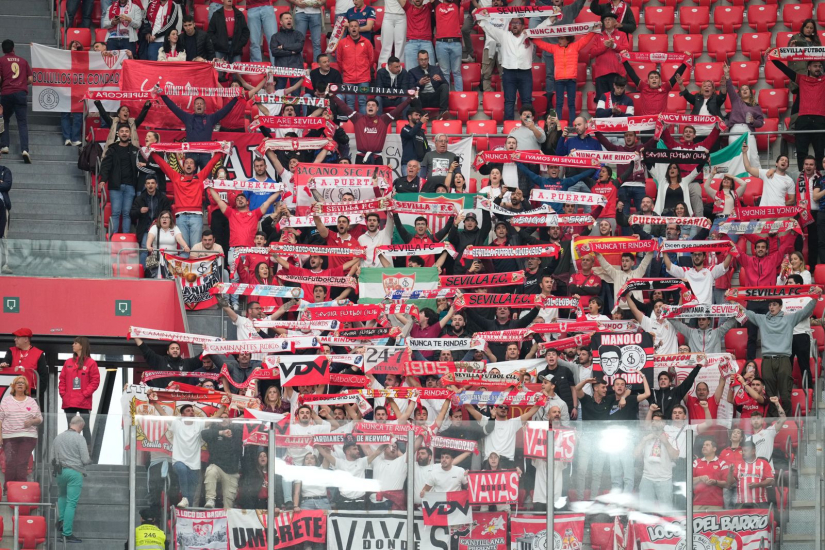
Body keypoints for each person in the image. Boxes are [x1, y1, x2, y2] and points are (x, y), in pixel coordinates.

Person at [733, 290, 821, 416]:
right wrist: (732, 300)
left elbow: (805, 312)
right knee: (769, 394)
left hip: (784, 359)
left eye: (774, 304)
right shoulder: (762, 319)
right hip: (767, 360)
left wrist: (815, 298)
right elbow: (746, 312)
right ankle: (772, 423)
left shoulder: (790, 319)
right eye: (770, 305)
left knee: (785, 395)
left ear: (781, 306)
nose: (771, 307)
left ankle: (787, 423)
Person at [150, 150, 226, 248]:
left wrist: (221, 151)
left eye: (191, 163)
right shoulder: (176, 177)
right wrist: (152, 152)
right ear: (183, 166)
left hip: (196, 217)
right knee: (184, 249)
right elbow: (163, 165)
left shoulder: (200, 177)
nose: (189, 165)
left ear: (195, 167)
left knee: (195, 249)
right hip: (181, 217)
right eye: (186, 163)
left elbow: (211, 163)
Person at [156, 92, 237, 171]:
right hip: (191, 154)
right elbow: (174, 108)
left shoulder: (211, 118)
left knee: (207, 181)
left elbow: (225, 110)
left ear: (205, 107)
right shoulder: (187, 118)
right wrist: (163, 95)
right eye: (197, 104)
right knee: (190, 180)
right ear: (194, 107)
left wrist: (236, 98)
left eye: (201, 104)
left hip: (205, 154)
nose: (199, 105)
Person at [771, 57, 825, 171]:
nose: (818, 68)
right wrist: (772, 57)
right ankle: (802, 177)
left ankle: (820, 180)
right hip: (803, 119)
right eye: (815, 66)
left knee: (820, 152)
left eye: (820, 66)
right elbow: (784, 69)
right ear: (808, 68)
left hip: (820, 119)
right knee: (801, 152)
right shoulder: (801, 79)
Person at [330, 91, 412, 165]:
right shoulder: (357, 118)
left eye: (373, 105)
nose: (370, 107)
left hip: (377, 158)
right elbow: (345, 108)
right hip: (360, 157)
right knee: (360, 182)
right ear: (366, 108)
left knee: (377, 181)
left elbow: (398, 110)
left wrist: (410, 99)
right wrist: (333, 96)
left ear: (377, 109)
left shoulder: (384, 119)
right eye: (368, 105)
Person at [533, 32, 595, 125]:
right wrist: (532, 39)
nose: (559, 41)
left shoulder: (575, 46)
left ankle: (573, 124)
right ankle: (559, 124)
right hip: (559, 80)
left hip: (571, 79)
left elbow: (585, 40)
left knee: (571, 103)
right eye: (559, 38)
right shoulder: (555, 48)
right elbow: (543, 45)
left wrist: (593, 32)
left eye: (562, 39)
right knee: (559, 103)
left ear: (568, 40)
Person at [478, 17, 532, 120]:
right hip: (509, 72)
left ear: (523, 26)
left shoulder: (529, 35)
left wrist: (551, 19)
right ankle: (509, 128)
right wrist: (479, 18)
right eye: (513, 23)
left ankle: (528, 126)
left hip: (525, 73)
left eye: (518, 23)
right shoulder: (504, 35)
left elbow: (542, 28)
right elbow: (490, 29)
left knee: (527, 101)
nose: (515, 25)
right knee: (509, 101)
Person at [51, 416, 90, 544]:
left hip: (60, 472)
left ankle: (61, 522)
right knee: (71, 503)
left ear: (70, 424)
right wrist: (89, 461)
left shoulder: (58, 437)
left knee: (62, 497)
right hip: (74, 472)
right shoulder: (80, 438)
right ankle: (67, 533)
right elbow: (85, 459)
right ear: (81, 426)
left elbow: (52, 457)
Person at [58, 337, 99, 449]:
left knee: (85, 427)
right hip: (69, 400)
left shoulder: (91, 363)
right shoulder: (68, 362)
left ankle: (87, 453)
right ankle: (70, 451)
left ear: (82, 345)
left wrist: (84, 394)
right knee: (70, 428)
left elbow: (95, 381)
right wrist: (63, 394)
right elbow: (62, 379)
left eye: (75, 343)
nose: (73, 345)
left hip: (84, 401)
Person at [99, 124, 140, 235]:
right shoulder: (112, 149)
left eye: (126, 131)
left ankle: (126, 237)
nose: (124, 133)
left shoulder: (135, 150)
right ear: (118, 133)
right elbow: (105, 166)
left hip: (131, 186)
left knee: (127, 213)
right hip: (115, 186)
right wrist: (103, 179)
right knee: (116, 213)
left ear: (130, 134)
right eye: (122, 131)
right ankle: (114, 237)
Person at [0, 376, 42, 482]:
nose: (20, 384)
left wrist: (32, 421)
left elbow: (40, 419)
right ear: (13, 386)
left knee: (22, 462)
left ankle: (21, 489)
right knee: (10, 463)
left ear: (26, 387)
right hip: (9, 437)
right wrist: (0, 436)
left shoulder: (32, 401)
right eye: (18, 382)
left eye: (22, 383)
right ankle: (9, 489)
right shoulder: (5, 401)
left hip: (28, 436)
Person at [621, 55, 687, 116]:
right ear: (648, 81)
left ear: (660, 81)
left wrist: (685, 62)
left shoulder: (665, 88)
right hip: (646, 122)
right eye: (652, 78)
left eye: (656, 78)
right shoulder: (643, 87)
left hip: (660, 121)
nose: (654, 79)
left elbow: (676, 75)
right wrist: (624, 60)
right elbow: (632, 74)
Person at [0, 40, 33, 163]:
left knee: (4, 118)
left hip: (7, 93)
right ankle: (25, 150)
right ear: (13, 48)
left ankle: (5, 146)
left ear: (3, 50)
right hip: (20, 93)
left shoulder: (1, 61)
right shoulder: (23, 61)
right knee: (22, 122)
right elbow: (30, 79)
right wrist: (22, 83)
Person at [202, 412, 243, 508]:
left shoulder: (237, 431)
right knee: (210, 471)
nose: (224, 419)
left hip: (232, 471)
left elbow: (245, 425)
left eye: (226, 417)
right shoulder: (214, 431)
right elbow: (203, 434)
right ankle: (210, 499)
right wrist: (221, 433)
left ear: (230, 420)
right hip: (217, 466)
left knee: (229, 506)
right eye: (221, 417)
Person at [724, 71, 763, 167]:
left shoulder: (756, 106)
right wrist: (727, 75)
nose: (745, 90)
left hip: (748, 130)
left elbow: (761, 122)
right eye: (742, 89)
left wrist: (753, 121)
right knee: (734, 156)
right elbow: (730, 88)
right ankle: (733, 178)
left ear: (750, 92)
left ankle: (757, 178)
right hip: (735, 130)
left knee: (753, 155)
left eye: (747, 89)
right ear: (740, 93)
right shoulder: (736, 101)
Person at [131, 176, 172, 266]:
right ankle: (142, 273)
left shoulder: (163, 198)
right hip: (146, 229)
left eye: (152, 183)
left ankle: (161, 272)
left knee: (162, 250)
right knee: (145, 249)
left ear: (156, 185)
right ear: (145, 185)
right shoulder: (139, 198)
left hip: (161, 229)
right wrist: (139, 211)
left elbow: (169, 212)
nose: (150, 185)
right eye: (148, 183)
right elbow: (132, 214)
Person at [336, 20, 375, 114]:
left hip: (364, 78)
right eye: (351, 26)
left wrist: (364, 68)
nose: (353, 28)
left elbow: (371, 59)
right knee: (350, 103)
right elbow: (339, 60)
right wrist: (346, 69)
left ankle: (362, 125)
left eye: (356, 26)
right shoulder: (342, 43)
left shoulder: (367, 42)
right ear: (348, 29)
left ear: (359, 28)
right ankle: (351, 126)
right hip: (348, 79)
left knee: (363, 102)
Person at [588, 13, 630, 99]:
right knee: (602, 101)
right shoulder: (598, 36)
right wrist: (605, 46)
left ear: (615, 22)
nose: (607, 21)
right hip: (601, 73)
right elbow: (592, 53)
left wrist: (614, 46)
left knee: (617, 101)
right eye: (605, 20)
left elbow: (626, 50)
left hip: (617, 73)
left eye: (609, 19)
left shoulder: (622, 35)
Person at [134, 337, 203, 388]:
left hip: (182, 399)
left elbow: (200, 358)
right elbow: (146, 351)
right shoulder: (160, 361)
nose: (175, 350)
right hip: (164, 398)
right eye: (172, 348)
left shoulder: (187, 363)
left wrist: (208, 348)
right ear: (167, 352)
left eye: (177, 348)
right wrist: (135, 336)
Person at [0, 327, 49, 399]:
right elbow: (6, 361)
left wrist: (37, 393)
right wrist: (4, 364)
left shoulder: (39, 353)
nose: (15, 339)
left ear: (26, 339)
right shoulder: (11, 351)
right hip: (11, 392)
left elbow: (43, 376)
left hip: (31, 393)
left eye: (17, 337)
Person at [727, 440, 774, 509]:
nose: (743, 453)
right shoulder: (738, 465)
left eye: (745, 451)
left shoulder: (763, 463)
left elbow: (770, 480)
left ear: (753, 451)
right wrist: (730, 472)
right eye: (742, 451)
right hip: (741, 502)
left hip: (760, 502)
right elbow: (730, 483)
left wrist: (757, 485)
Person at [408, 50, 450, 118]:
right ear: (417, 60)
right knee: (414, 92)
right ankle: (420, 115)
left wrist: (440, 80)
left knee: (444, 86)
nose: (423, 61)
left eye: (425, 59)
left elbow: (446, 85)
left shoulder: (436, 69)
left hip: (434, 97)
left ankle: (442, 113)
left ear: (428, 59)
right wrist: (419, 83)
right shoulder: (412, 72)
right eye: (421, 59)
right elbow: (410, 89)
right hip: (421, 98)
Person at [269, 12, 305, 89]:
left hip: (296, 68)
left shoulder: (298, 34)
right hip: (281, 69)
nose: (289, 20)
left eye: (290, 18)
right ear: (281, 22)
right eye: (286, 18)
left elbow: (299, 47)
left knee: (296, 96)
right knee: (279, 96)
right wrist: (291, 52)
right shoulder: (275, 36)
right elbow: (275, 52)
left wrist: (283, 46)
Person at [208, 0, 249, 64]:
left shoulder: (239, 14)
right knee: (218, 72)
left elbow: (245, 31)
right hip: (220, 49)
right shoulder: (216, 14)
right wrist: (217, 43)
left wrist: (240, 44)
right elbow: (210, 32)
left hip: (236, 48)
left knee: (237, 72)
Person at [400, 0, 435, 72]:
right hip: (411, 42)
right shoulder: (408, 7)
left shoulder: (428, 7)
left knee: (431, 71)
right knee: (410, 72)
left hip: (426, 42)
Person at [0, 157, 9, 274]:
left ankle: (5, 264)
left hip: (3, 207)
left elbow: (7, 185)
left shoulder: (5, 171)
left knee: (4, 237)